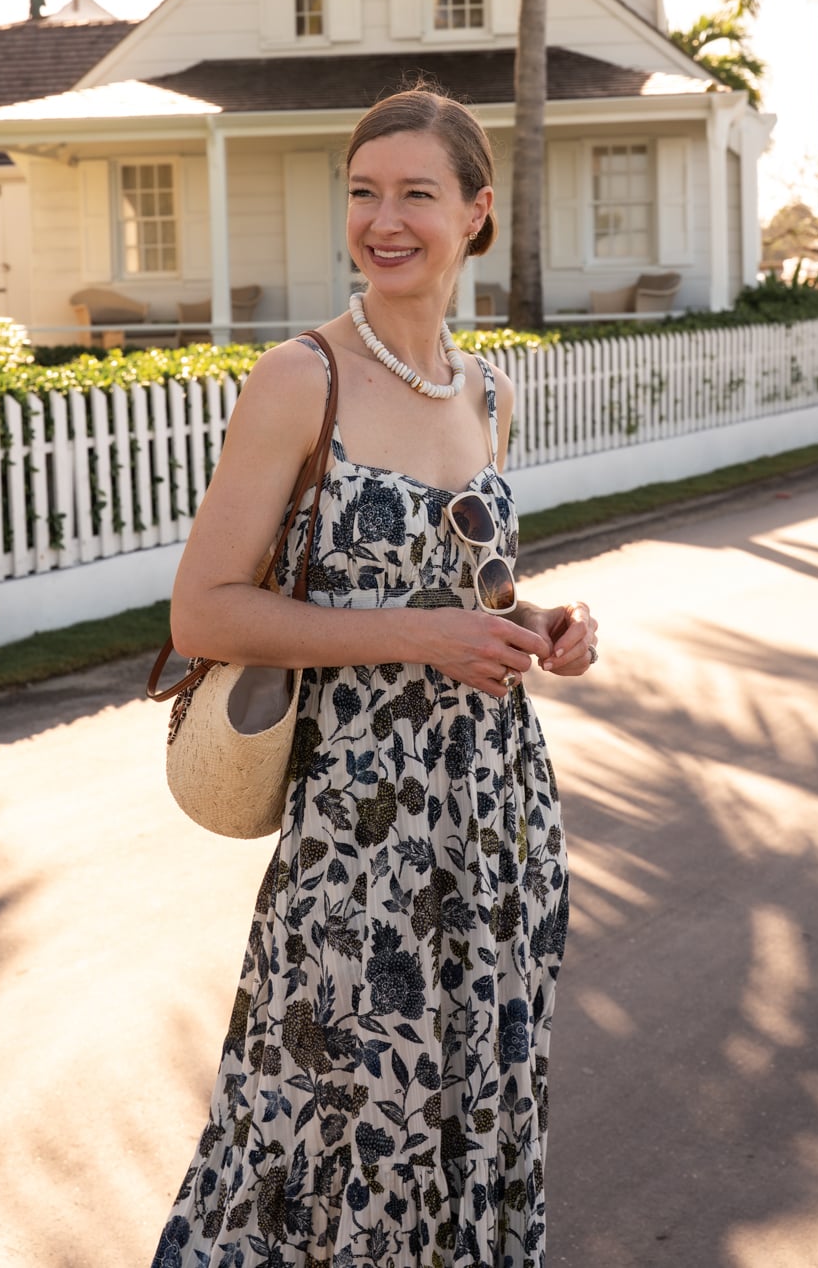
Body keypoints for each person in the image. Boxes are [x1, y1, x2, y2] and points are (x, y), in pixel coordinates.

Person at [153, 86, 597, 1268]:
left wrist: (539, 622)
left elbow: (473, 592)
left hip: (500, 827)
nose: (382, 219)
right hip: (362, 835)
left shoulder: (489, 389)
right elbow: (204, 608)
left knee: (467, 1118)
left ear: (476, 213)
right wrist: (421, 636)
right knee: (333, 1119)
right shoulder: (304, 377)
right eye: (363, 192)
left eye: (414, 193)